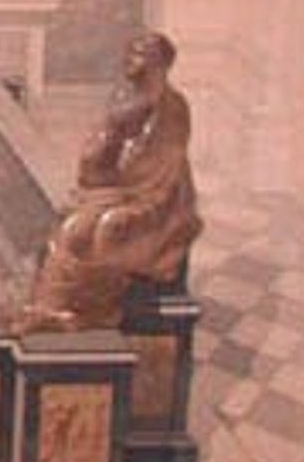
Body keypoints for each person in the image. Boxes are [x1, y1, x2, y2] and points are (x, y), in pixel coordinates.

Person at [17, 30, 201, 332]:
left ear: (159, 64)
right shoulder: (124, 98)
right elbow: (94, 166)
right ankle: (49, 307)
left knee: (109, 227)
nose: (129, 60)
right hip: (116, 190)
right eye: (130, 52)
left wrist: (138, 203)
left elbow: (165, 173)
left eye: (139, 54)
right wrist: (111, 139)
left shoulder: (174, 108)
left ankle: (97, 311)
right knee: (73, 228)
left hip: (158, 201)